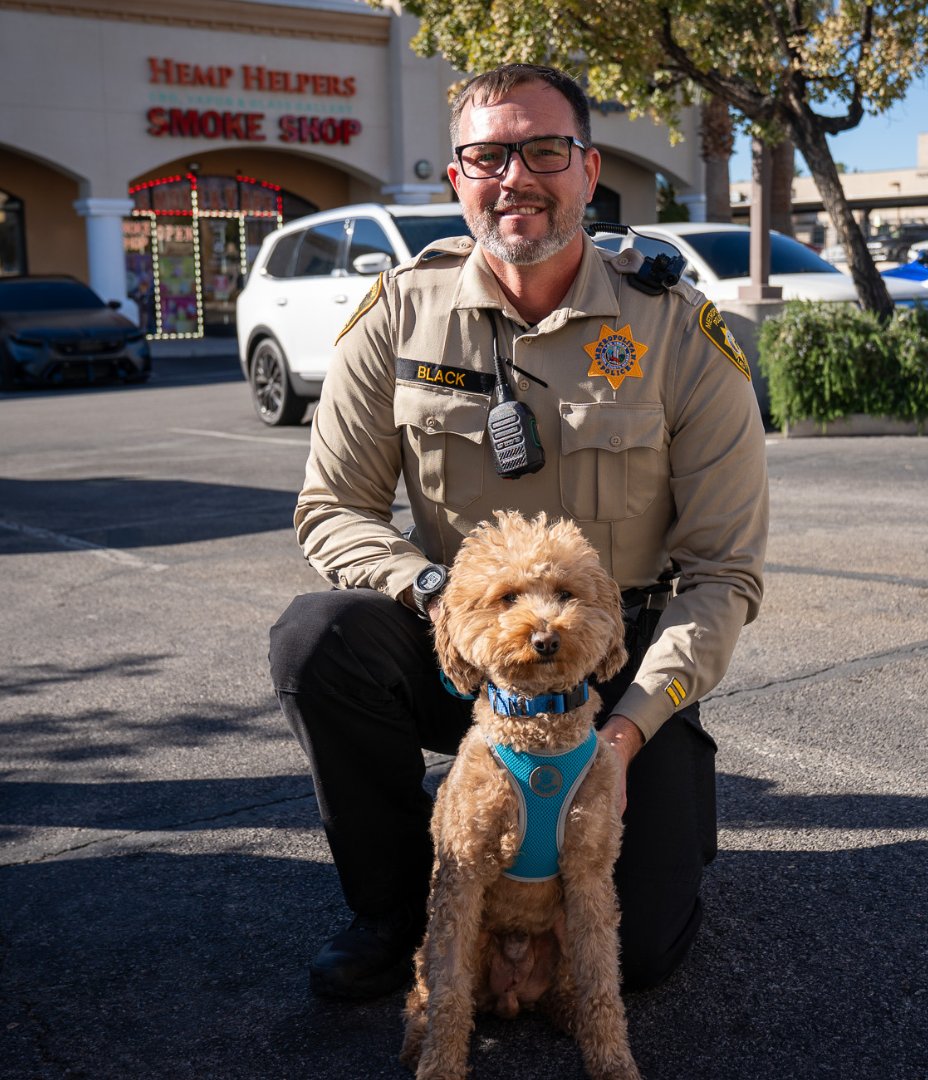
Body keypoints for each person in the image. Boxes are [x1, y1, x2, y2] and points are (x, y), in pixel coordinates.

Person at [269, 62, 768, 1002]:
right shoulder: (397, 316)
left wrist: (623, 737)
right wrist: (438, 598)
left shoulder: (679, 333)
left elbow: (723, 573)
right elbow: (331, 507)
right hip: (461, 642)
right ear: (456, 177)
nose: (516, 177)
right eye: (488, 154)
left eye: (545, 150)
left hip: (616, 662)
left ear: (588, 169)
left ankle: (649, 813)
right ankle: (393, 903)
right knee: (317, 637)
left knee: (640, 957)